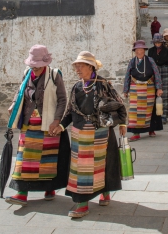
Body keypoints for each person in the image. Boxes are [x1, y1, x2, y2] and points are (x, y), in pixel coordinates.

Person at [52, 51, 127, 218]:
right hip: (80, 134)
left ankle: (104, 191)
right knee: (81, 170)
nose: (77, 69)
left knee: (104, 164)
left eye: (81, 65)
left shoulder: (103, 84)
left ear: (91, 67)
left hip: (101, 132)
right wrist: (61, 126)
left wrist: (122, 123)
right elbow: (70, 111)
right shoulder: (77, 87)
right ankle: (82, 202)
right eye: (76, 66)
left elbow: (119, 104)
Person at [6, 45, 70, 207]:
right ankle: (21, 193)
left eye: (37, 66)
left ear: (45, 64)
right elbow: (20, 92)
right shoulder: (27, 74)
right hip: (29, 125)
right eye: (32, 66)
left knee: (48, 159)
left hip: (48, 125)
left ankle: (50, 188)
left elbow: (62, 99)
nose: (34, 69)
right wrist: (14, 104)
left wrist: (57, 120)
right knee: (25, 159)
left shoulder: (54, 75)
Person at [123, 40, 164, 141]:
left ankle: (151, 129)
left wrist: (159, 88)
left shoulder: (150, 60)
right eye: (137, 50)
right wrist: (126, 90)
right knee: (134, 111)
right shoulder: (132, 62)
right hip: (135, 89)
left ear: (144, 50)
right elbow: (128, 75)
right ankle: (136, 133)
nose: (139, 52)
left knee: (150, 111)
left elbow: (156, 74)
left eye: (141, 49)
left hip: (149, 88)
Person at [148, 33, 168, 124]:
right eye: (156, 42)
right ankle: (156, 115)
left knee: (165, 94)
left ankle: (164, 115)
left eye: (159, 42)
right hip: (154, 73)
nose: (157, 44)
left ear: (162, 42)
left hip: (166, 73)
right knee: (154, 94)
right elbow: (149, 64)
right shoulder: (151, 51)